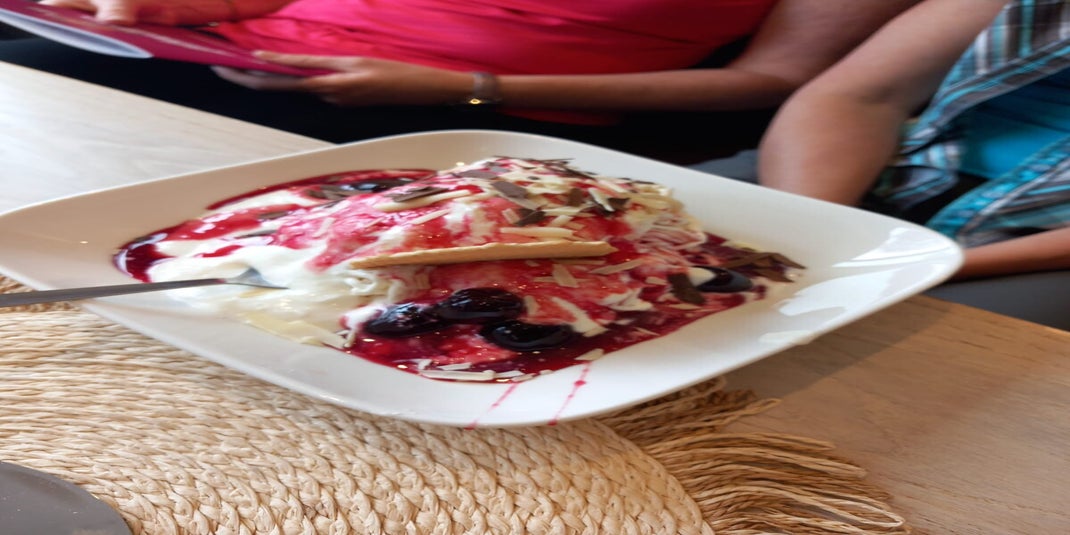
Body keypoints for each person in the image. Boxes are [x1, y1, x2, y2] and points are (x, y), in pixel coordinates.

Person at [0, 0, 919, 159]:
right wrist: (174, 9)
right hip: (240, 48)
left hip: (455, 103)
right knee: (34, 68)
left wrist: (461, 88)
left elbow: (770, 80)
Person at [696, 0, 1069, 329]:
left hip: (1030, 243)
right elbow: (859, 97)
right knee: (676, 229)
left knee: (911, 345)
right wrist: (808, 229)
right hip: (879, 168)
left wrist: (912, 267)